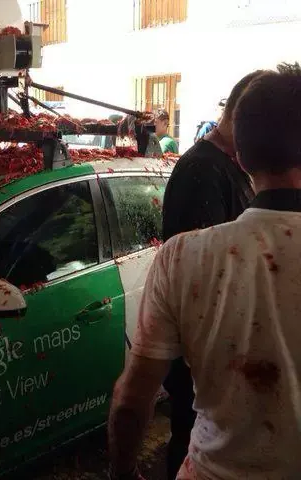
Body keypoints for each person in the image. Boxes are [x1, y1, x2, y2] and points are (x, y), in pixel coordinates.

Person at [108, 63, 301, 479]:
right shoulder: (200, 176)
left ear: (243, 155)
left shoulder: (182, 258)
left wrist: (121, 472)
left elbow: (130, 400)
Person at [155, 69, 265, 480]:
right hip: (200, 357)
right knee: (190, 444)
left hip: (222, 352)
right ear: (236, 117)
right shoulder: (202, 169)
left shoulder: (233, 165)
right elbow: (203, 274)